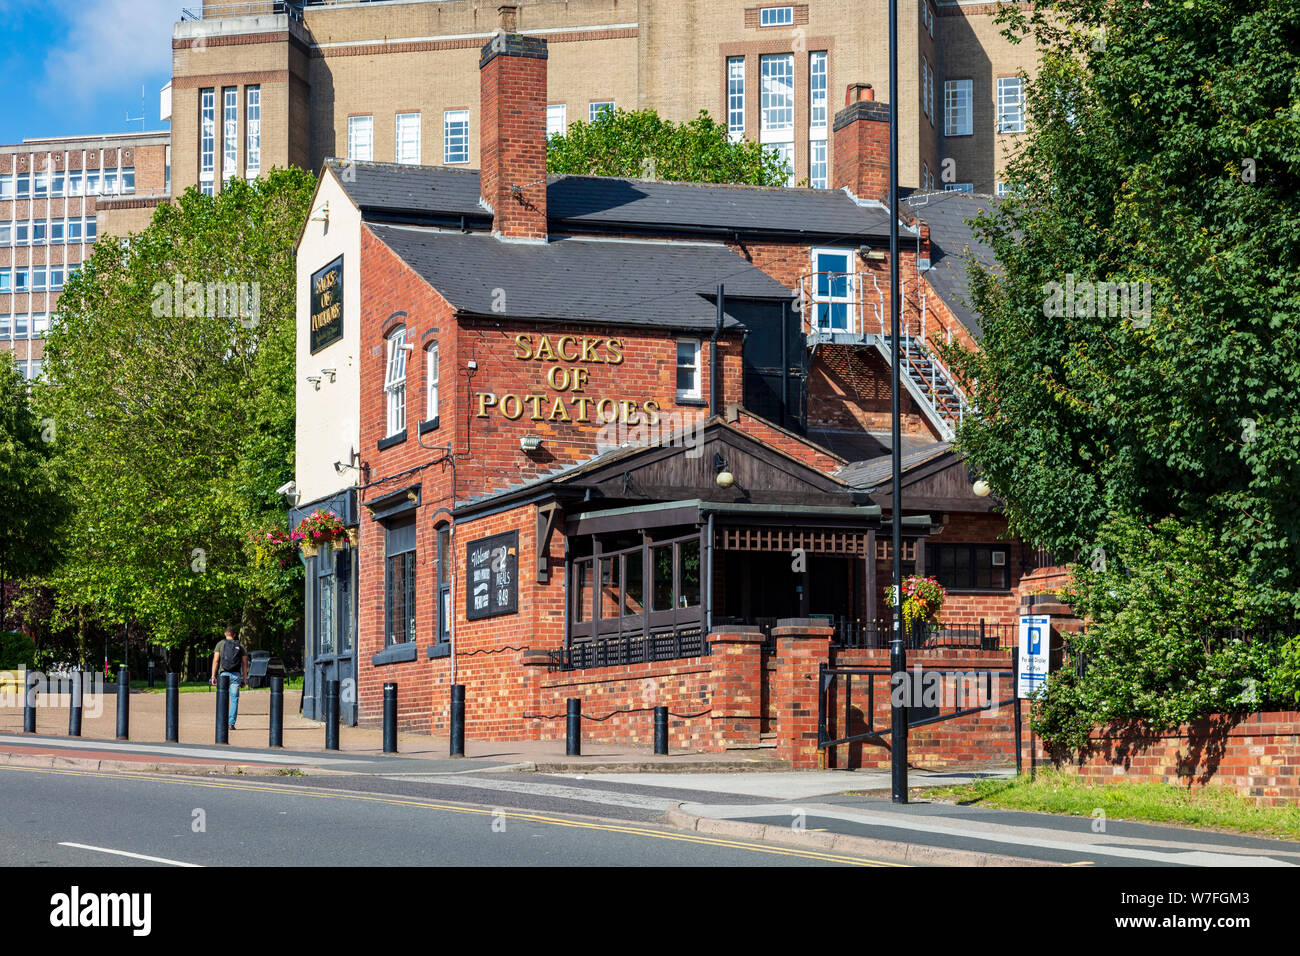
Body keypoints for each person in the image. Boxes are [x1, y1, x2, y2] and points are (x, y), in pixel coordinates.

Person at [210, 625, 249, 730]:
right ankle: (231, 723)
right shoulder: (240, 646)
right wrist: (244, 679)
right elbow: (245, 663)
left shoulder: (220, 644)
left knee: (223, 698)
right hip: (236, 675)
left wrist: (213, 676)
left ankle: (222, 722)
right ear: (234, 634)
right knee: (234, 699)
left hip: (223, 675)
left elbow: (216, 660)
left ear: (225, 634)